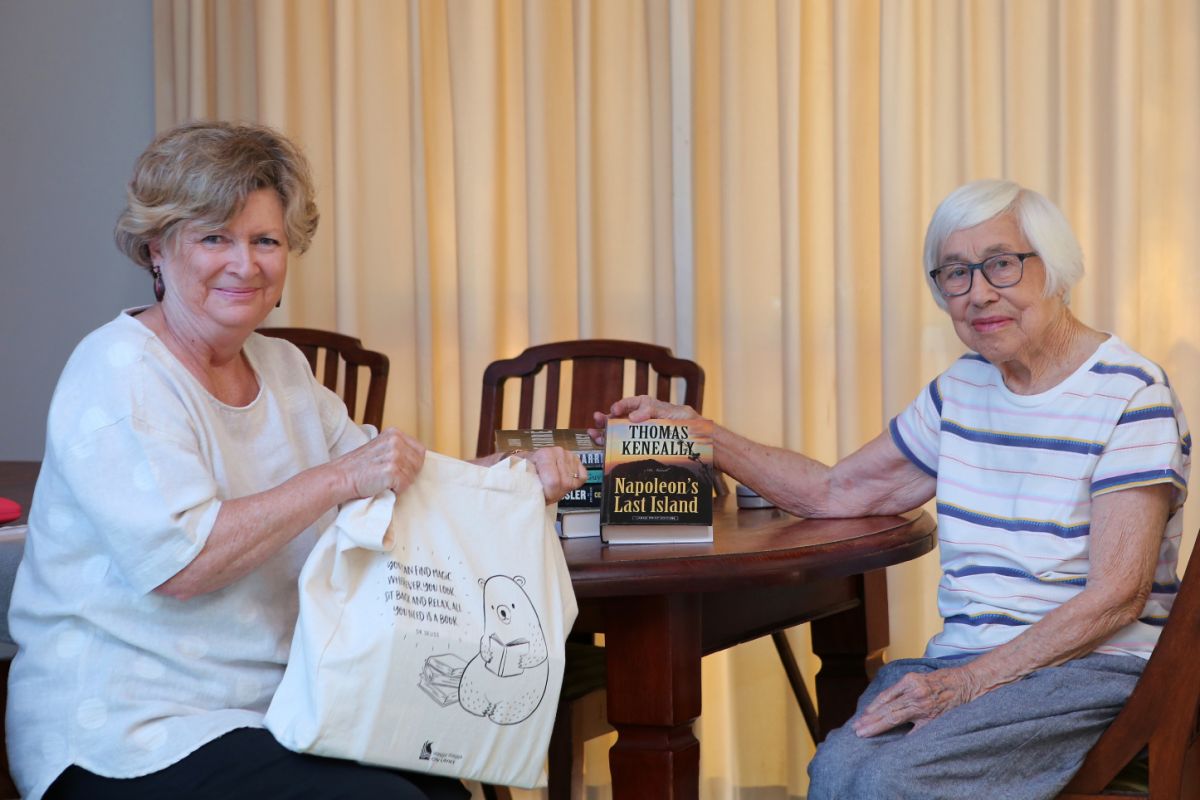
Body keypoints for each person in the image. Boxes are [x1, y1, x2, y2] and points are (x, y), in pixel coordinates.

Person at [6, 120, 586, 800]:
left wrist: (517, 479)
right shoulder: (118, 372)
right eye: (215, 238)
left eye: (265, 241)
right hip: (128, 732)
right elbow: (181, 563)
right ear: (157, 249)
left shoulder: (281, 368)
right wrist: (338, 479)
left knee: (440, 793)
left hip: (281, 709)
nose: (244, 264)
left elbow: (395, 487)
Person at [591, 180, 1191, 799]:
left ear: (1056, 268)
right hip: (967, 661)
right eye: (955, 273)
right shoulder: (962, 390)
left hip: (1091, 668)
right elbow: (834, 493)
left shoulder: (1131, 395)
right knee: (833, 769)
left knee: (889, 780)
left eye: (1002, 265)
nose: (979, 292)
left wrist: (967, 682)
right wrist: (704, 435)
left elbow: (1117, 596)